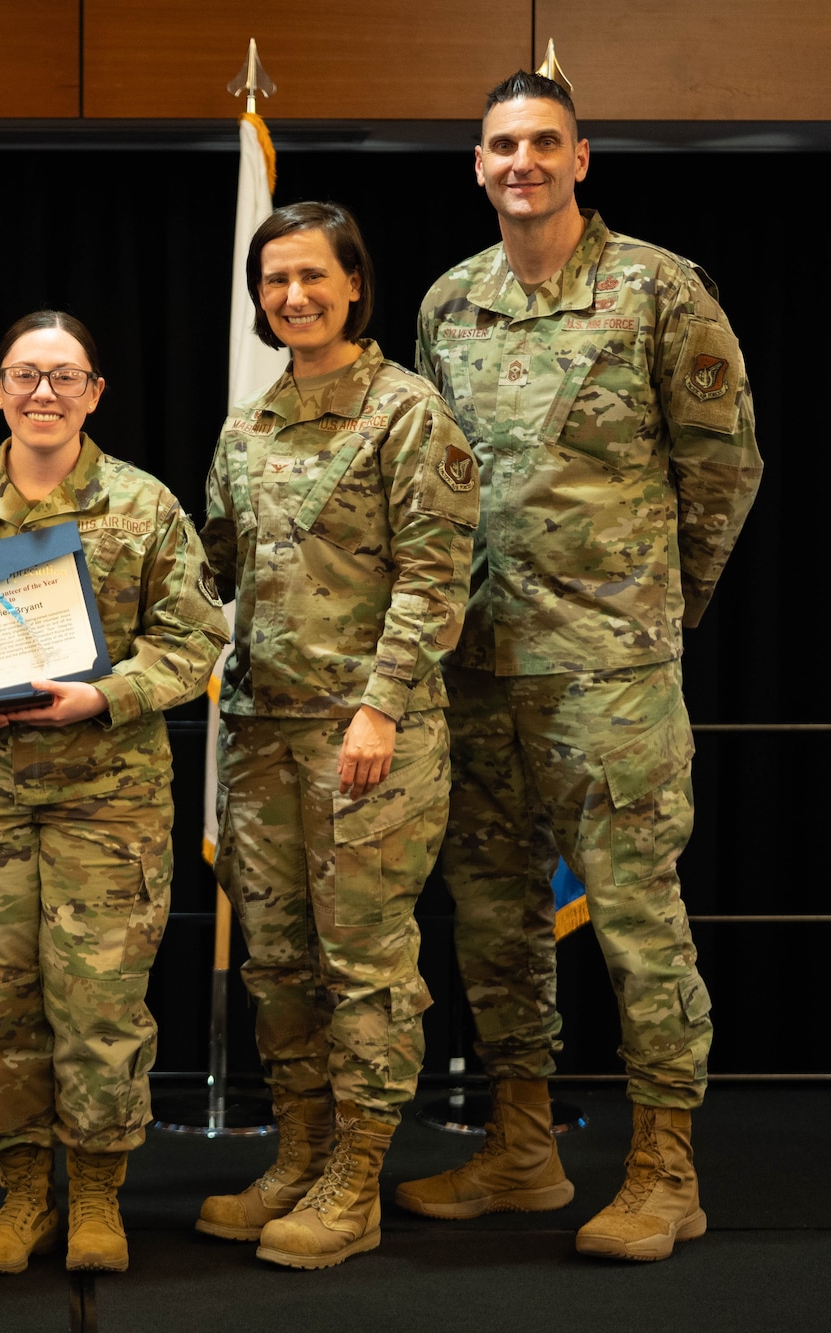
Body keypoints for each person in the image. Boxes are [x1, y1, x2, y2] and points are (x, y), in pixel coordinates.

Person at [396, 71, 764, 1262]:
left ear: (581, 156)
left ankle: (665, 1169)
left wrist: (654, 609)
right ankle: (520, 1146)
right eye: (501, 144)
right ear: (475, 161)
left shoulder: (658, 291)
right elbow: (431, 486)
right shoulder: (447, 304)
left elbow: (721, 471)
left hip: (607, 672)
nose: (522, 162)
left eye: (543, 142)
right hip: (476, 666)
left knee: (636, 922)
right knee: (494, 919)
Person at [0, 310, 228, 1276]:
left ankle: (99, 1193)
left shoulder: (143, 507)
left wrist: (102, 695)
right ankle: (23, 1193)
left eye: (66, 378)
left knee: (100, 1002)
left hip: (105, 803)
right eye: (26, 375)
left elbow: (195, 641)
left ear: (95, 394)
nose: (44, 394)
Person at [197, 202, 480, 1270]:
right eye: (272, 281)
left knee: (362, 963)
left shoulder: (407, 413)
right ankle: (299, 1154)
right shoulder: (248, 424)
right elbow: (210, 571)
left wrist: (380, 702)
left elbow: (435, 573)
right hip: (263, 732)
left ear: (353, 283)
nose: (292, 297)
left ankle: (356, 1178)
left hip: (370, 739)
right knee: (277, 962)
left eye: (312, 276)